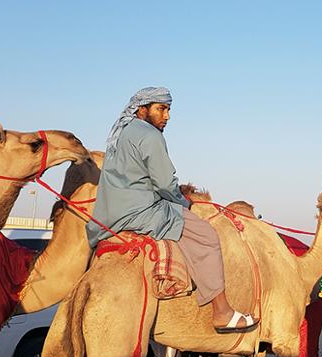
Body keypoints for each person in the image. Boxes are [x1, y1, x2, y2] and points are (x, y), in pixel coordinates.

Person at [87, 87, 257, 333]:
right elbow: (165, 183)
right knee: (206, 235)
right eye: (161, 109)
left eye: (168, 110)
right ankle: (222, 311)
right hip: (140, 212)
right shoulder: (150, 135)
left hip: (107, 217)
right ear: (142, 109)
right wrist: (185, 203)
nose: (166, 116)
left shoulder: (121, 132)